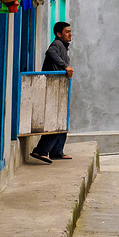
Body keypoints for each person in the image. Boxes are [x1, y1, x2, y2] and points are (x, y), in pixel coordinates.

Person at [30, 22, 73, 164]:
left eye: (70, 31)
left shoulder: (63, 47)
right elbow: (51, 53)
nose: (69, 34)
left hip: (58, 88)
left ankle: (56, 151)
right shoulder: (57, 44)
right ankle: (41, 150)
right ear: (58, 34)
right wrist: (65, 66)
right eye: (66, 31)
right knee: (55, 121)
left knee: (61, 119)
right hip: (52, 88)